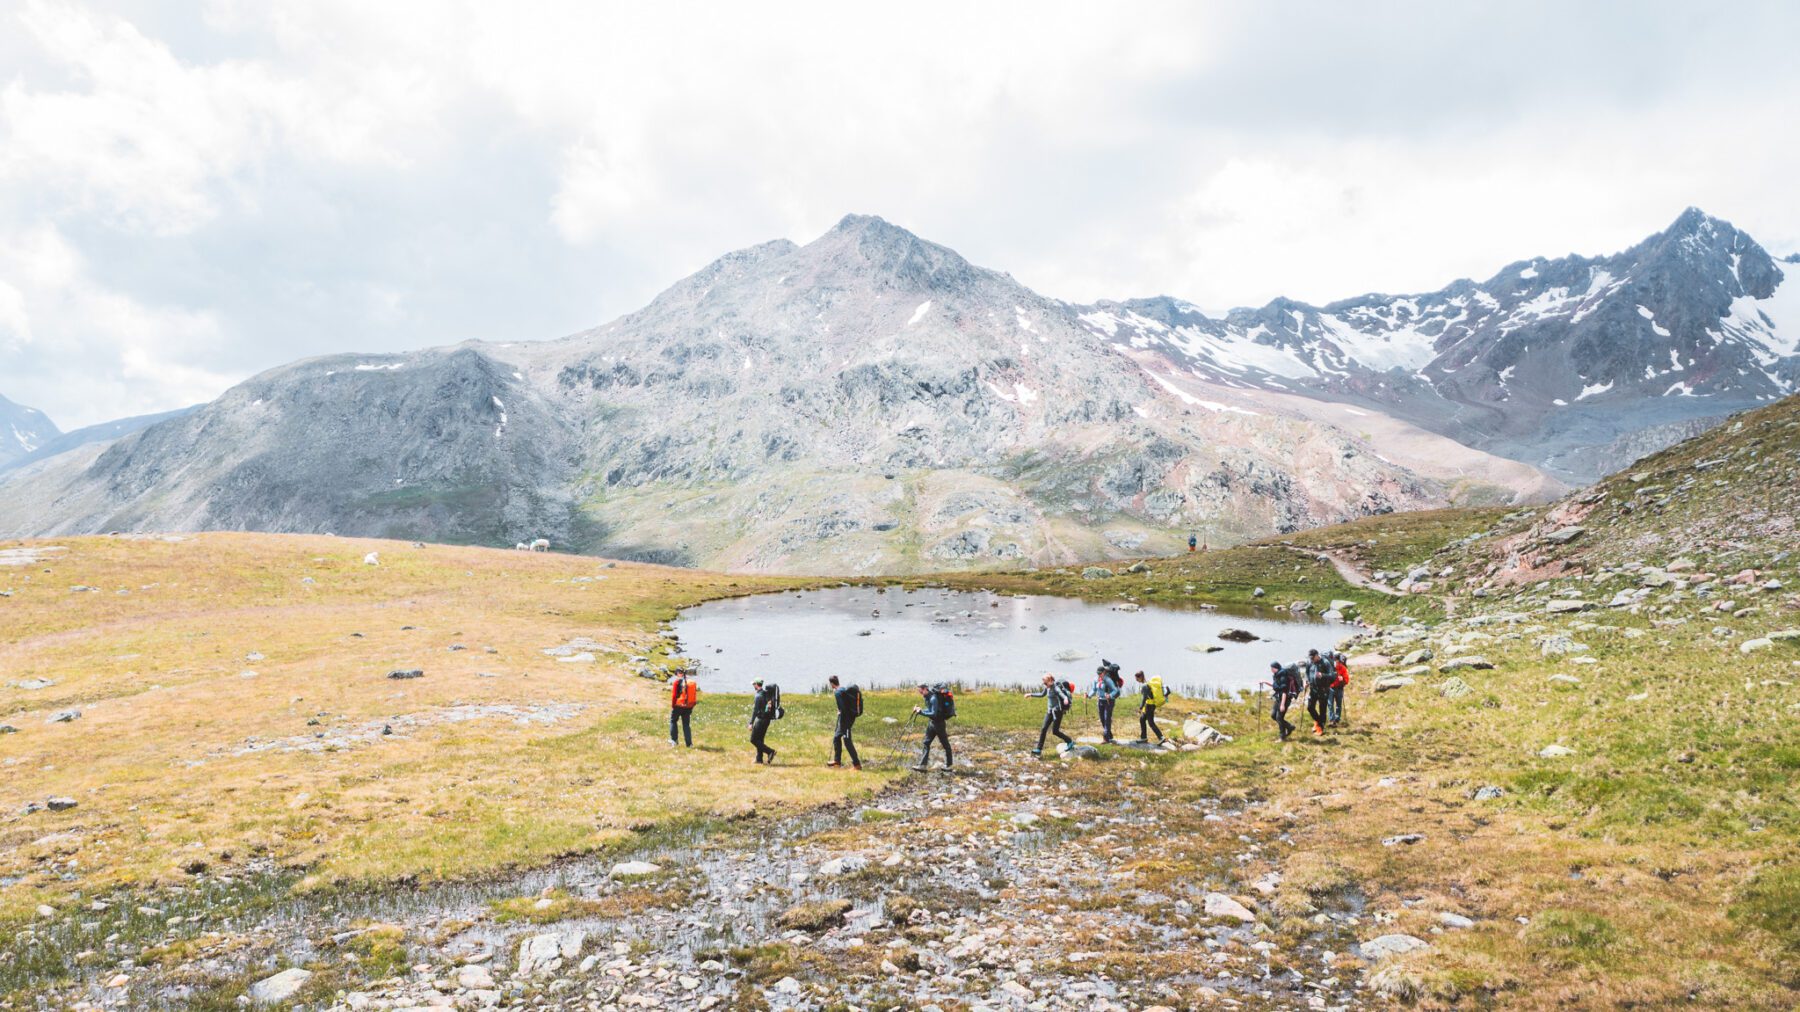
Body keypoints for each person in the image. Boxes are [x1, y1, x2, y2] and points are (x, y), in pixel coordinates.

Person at [1027, 674, 1075, 757]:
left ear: (1050, 681)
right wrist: (1030, 694)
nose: (1044, 684)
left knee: (1055, 731)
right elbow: (1042, 694)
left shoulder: (1055, 688)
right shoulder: (1047, 688)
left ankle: (1069, 741)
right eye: (1044, 683)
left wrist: (1066, 699)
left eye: (1045, 683)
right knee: (1043, 728)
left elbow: (1061, 694)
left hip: (1057, 712)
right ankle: (1039, 749)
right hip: (1049, 712)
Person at [911, 682, 954, 771]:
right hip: (932, 724)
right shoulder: (928, 697)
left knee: (946, 745)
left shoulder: (933, 698)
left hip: (939, 725)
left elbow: (933, 713)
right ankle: (922, 766)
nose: (921, 694)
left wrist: (921, 713)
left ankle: (949, 766)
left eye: (921, 692)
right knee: (926, 743)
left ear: (925, 689)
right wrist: (920, 710)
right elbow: (930, 710)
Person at [827, 674, 862, 769]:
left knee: (847, 741)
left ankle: (857, 764)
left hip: (846, 720)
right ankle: (837, 762)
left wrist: (840, 711)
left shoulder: (838, 693)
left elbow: (842, 708)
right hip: (844, 719)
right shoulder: (842, 689)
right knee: (836, 737)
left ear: (831, 684)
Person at [1088, 662, 1121, 744]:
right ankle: (1109, 735)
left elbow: (1116, 690)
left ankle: (1106, 739)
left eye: (1100, 673)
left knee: (1107, 719)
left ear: (1104, 672)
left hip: (1108, 702)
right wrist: (1088, 695)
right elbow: (1094, 690)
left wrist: (1110, 695)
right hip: (1100, 701)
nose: (1099, 675)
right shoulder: (1096, 679)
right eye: (1098, 673)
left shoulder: (1108, 680)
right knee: (1102, 719)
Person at [1269, 661, 1302, 740]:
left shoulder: (1283, 676)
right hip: (1278, 698)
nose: (1271, 670)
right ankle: (1289, 727)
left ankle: (1282, 737)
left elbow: (1284, 691)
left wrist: (1282, 704)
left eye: (1272, 668)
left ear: (1276, 668)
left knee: (1279, 718)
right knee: (1273, 715)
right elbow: (1277, 687)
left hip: (1284, 699)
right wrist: (1265, 682)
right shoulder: (1277, 675)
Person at [749, 679, 779, 764]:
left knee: (753, 739)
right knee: (760, 739)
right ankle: (759, 759)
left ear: (756, 685)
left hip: (760, 720)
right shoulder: (766, 693)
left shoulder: (758, 696)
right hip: (767, 720)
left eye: (753, 684)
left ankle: (770, 752)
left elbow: (755, 711)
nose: (753, 686)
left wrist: (751, 723)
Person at [1304, 649, 1334, 736]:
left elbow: (1332, 675)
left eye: (1313, 658)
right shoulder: (1309, 662)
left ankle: (1320, 728)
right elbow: (1306, 673)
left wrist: (1323, 675)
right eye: (1310, 658)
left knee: (1322, 709)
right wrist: (1307, 681)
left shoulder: (1325, 662)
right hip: (1313, 689)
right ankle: (1318, 722)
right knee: (1310, 707)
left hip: (1323, 689)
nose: (1311, 659)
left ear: (1317, 655)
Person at [1134, 670, 1167, 745]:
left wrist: (1140, 707)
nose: (1136, 680)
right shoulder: (1147, 683)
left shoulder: (1145, 686)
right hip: (1149, 705)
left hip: (1150, 706)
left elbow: (1144, 698)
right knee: (1142, 719)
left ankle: (1161, 737)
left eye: (1137, 679)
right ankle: (1144, 737)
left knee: (1151, 722)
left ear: (1140, 677)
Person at [668, 668, 698, 748]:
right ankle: (689, 744)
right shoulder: (691, 682)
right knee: (686, 724)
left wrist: (673, 705)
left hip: (678, 705)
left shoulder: (677, 682)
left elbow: (674, 696)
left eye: (676, 673)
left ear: (678, 673)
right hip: (688, 706)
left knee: (673, 721)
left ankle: (674, 741)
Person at [1329, 651, 1350, 726]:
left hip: (1339, 688)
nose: (1335, 661)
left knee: (1338, 705)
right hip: (1331, 688)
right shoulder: (1330, 667)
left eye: (1336, 660)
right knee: (1330, 704)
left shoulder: (1343, 668)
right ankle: (1332, 720)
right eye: (1334, 659)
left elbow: (1347, 680)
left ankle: (1337, 719)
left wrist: (1343, 680)